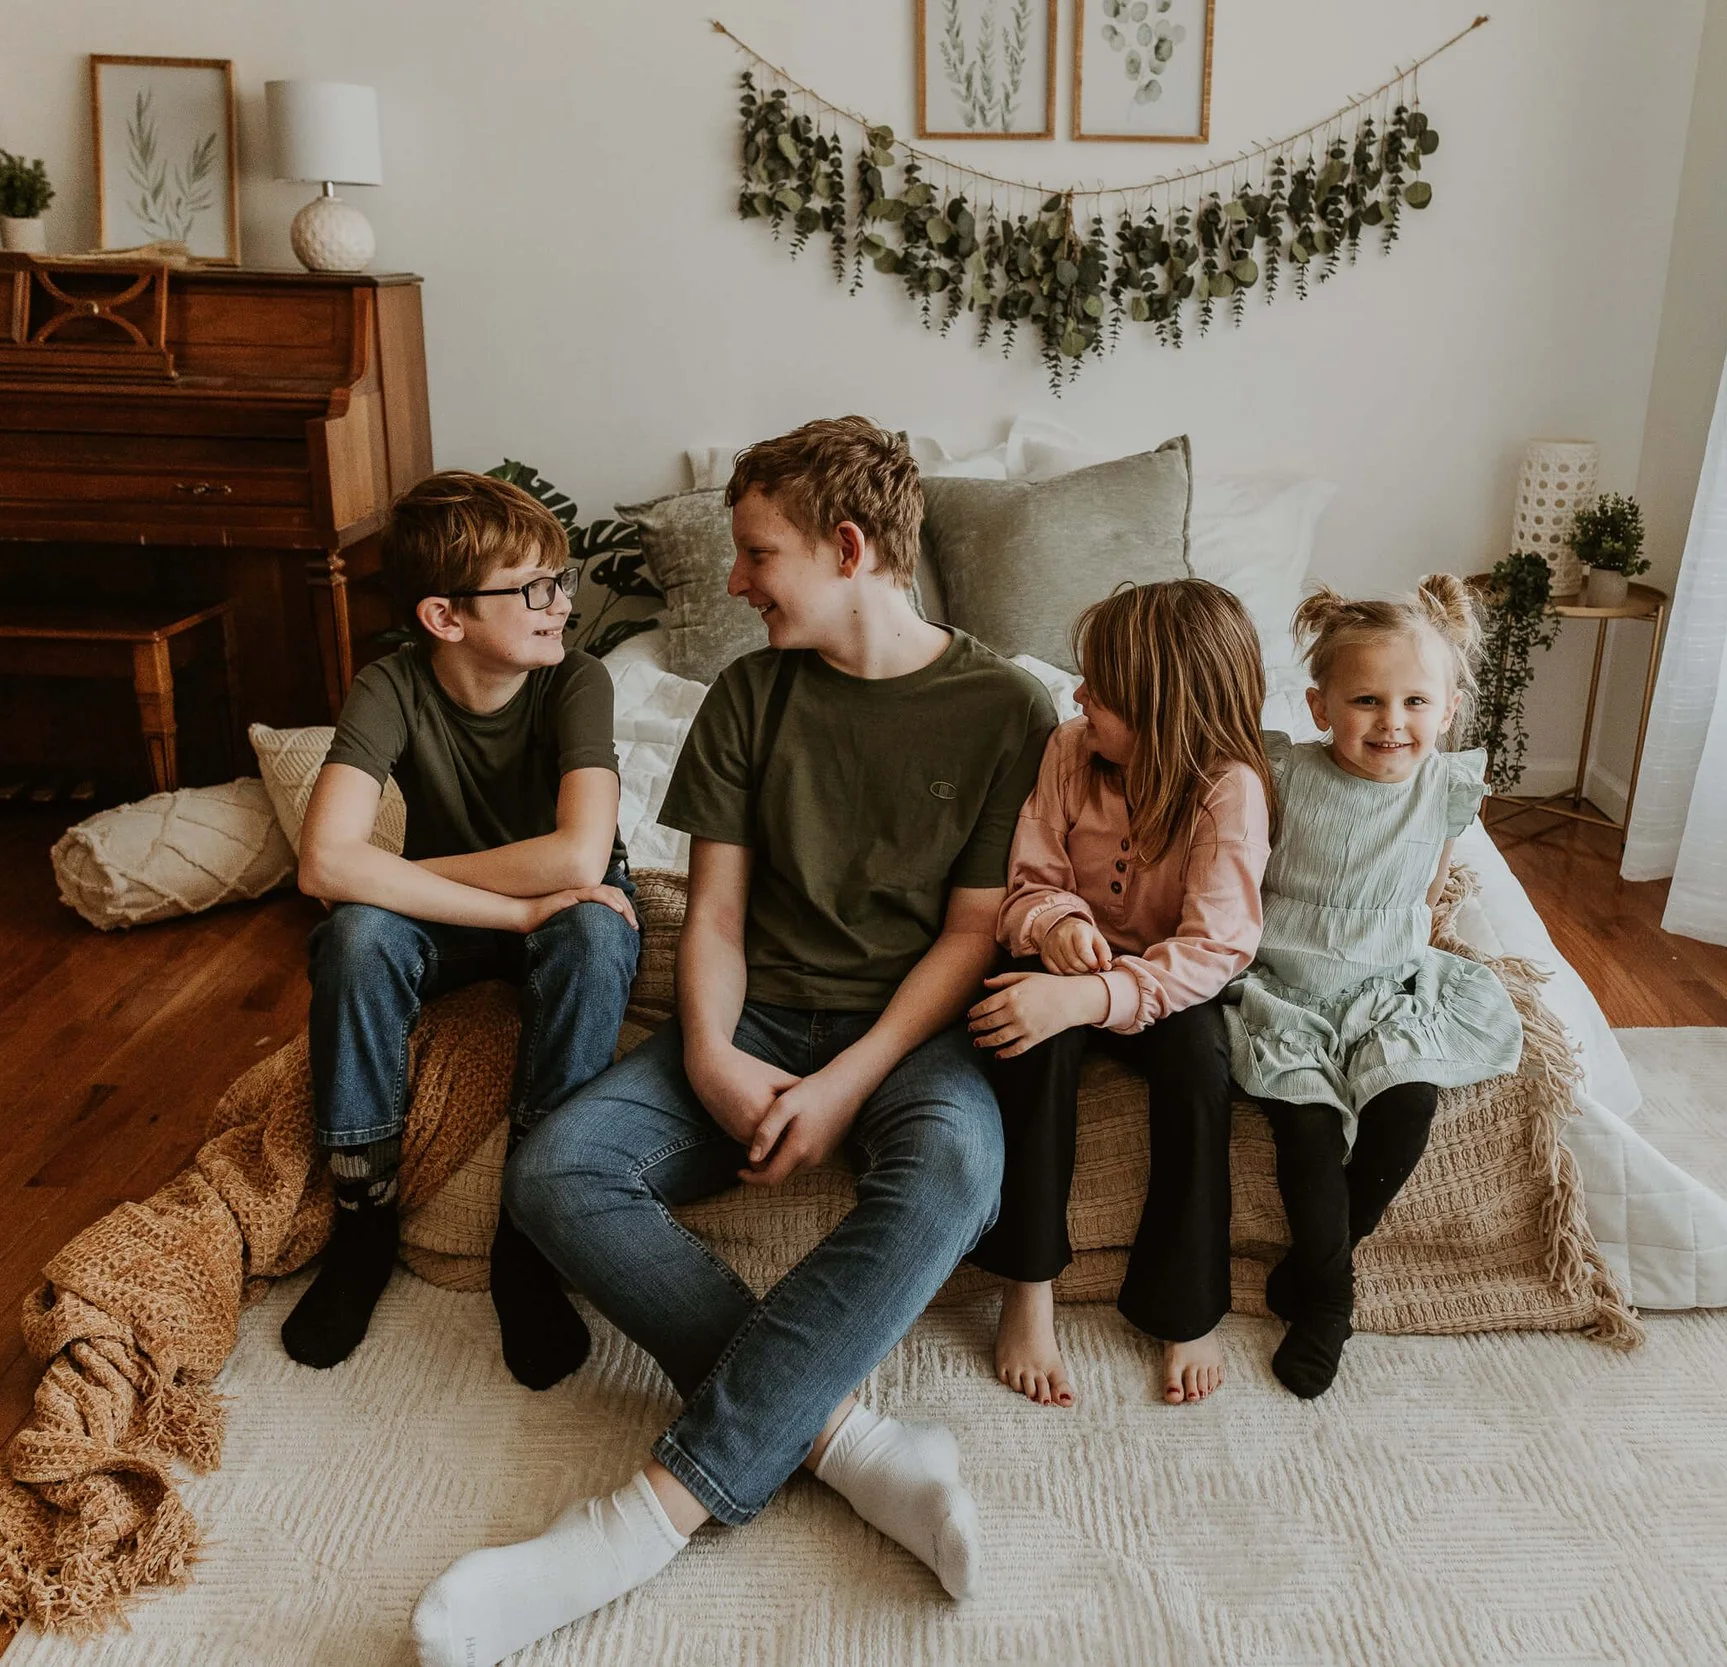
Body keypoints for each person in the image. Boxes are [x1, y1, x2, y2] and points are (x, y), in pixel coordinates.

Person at [410, 417, 1055, 1667]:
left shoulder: (1005, 706)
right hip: (755, 1012)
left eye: (757, 553)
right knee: (554, 1171)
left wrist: (845, 1082)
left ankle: (642, 1516)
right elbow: (709, 911)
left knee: (961, 1168)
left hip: (905, 1042)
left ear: (850, 547)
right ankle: (851, 1443)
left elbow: (971, 937)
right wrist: (711, 1053)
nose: (733, 581)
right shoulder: (751, 694)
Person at [284, 470, 640, 1389]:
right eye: (532, 589)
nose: (560, 604)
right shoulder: (390, 685)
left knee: (594, 936)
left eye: (560, 581)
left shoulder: (579, 681)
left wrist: (397, 879)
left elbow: (575, 860)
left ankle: (529, 1235)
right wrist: (509, 908)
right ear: (446, 617)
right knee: (359, 938)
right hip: (470, 913)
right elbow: (322, 863)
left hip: (553, 908)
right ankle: (363, 1221)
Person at [964, 579, 1275, 1410]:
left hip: (1165, 983)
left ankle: (1187, 1303)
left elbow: (1216, 947)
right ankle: (1028, 1287)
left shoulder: (1228, 790)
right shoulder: (1069, 751)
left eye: (1098, 689)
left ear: (1162, 708)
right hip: (1074, 966)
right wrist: (1056, 923)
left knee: (1203, 1064)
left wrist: (1096, 996)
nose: (1077, 695)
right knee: (1025, 1035)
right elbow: (1026, 882)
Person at [1226, 578, 1525, 1400]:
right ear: (1321, 707)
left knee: (1406, 1106)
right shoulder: (1284, 769)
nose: (1392, 722)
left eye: (1414, 701)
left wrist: (1413, 962)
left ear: (1449, 707)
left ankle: (1323, 1255)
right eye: (1367, 700)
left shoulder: (1444, 787)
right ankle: (1329, 1301)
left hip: (1385, 982)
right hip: (1288, 984)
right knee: (1310, 1129)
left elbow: (1427, 893)